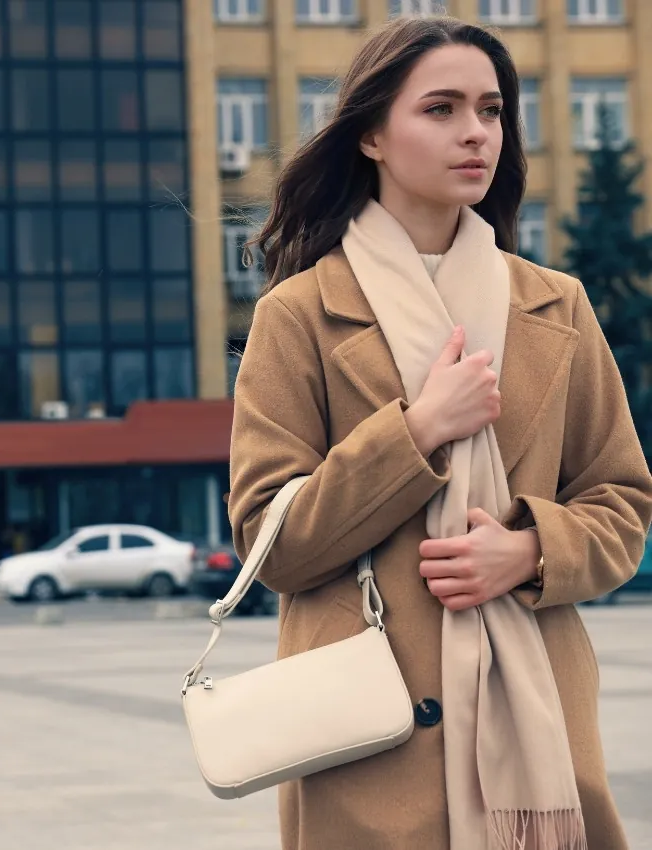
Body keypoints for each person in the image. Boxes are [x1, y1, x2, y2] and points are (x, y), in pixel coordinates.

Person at [227, 16, 652, 850]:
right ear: (372, 136)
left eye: (491, 111)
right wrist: (417, 431)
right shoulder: (299, 314)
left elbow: (622, 501)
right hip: (367, 749)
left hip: (540, 743)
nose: (476, 132)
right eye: (441, 109)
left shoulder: (555, 305)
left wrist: (529, 551)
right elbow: (267, 541)